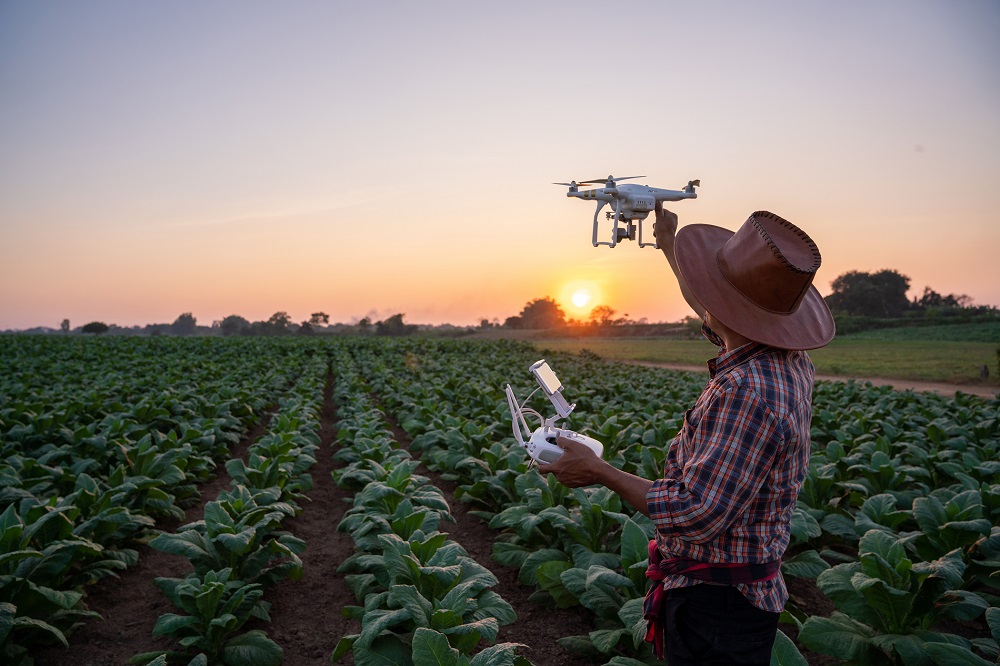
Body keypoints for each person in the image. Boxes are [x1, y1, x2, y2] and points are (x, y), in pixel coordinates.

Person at [538, 203, 836, 665]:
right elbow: (712, 310)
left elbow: (696, 514)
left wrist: (599, 471)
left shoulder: (747, 392)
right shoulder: (783, 357)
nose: (704, 302)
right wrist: (668, 248)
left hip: (718, 608)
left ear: (727, 309)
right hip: (736, 594)